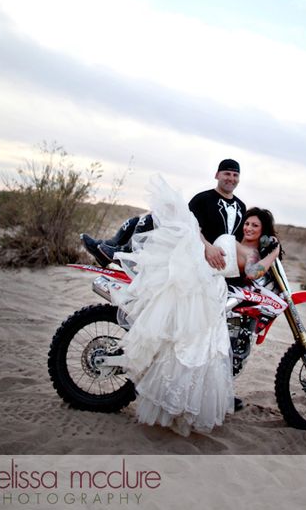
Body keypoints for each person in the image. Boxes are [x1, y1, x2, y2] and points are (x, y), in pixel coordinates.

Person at [111, 176, 281, 436]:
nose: (247, 227)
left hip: (208, 285)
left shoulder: (254, 254)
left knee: (192, 348)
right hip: (198, 278)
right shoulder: (237, 242)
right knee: (186, 342)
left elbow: (256, 272)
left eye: (254, 226)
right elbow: (206, 239)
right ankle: (112, 245)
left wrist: (272, 254)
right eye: (246, 223)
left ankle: (175, 403)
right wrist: (207, 245)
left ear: (263, 231)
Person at [80, 158, 246, 271]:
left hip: (216, 261)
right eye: (227, 173)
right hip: (200, 248)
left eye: (235, 175)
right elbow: (191, 226)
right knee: (141, 219)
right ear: (217, 175)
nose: (231, 178)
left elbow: (238, 240)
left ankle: (121, 253)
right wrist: (207, 246)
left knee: (153, 217)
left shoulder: (241, 206)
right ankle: (109, 248)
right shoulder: (203, 198)